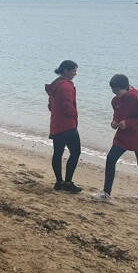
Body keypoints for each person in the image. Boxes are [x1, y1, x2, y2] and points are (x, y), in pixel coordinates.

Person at [92, 74, 138, 202]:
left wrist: (128, 123)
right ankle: (106, 193)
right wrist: (114, 122)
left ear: (126, 88)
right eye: (113, 90)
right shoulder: (115, 100)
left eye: (117, 90)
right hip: (122, 136)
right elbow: (116, 115)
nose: (115, 93)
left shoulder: (137, 99)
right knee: (111, 158)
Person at [45, 60, 81, 193]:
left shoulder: (56, 84)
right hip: (67, 125)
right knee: (75, 152)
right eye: (74, 71)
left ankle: (59, 182)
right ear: (66, 71)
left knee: (58, 153)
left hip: (56, 124)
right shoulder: (66, 86)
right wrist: (74, 115)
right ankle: (67, 182)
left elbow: (50, 105)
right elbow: (67, 105)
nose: (75, 74)